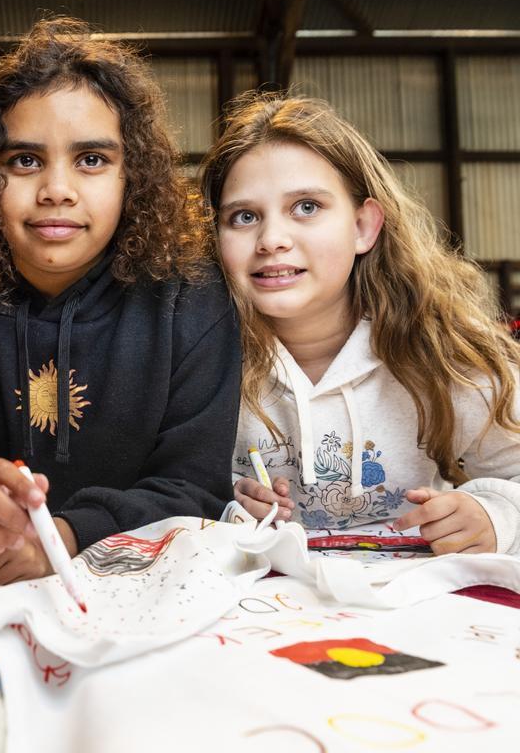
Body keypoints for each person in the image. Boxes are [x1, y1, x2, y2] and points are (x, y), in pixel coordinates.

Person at [0, 17, 241, 589]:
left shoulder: (194, 297)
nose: (56, 188)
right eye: (24, 161)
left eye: (92, 160)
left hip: (147, 588)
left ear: (134, 177)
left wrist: (64, 537)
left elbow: (195, 487)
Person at [201, 92, 520, 555]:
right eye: (244, 216)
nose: (272, 239)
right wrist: (221, 501)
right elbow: (157, 487)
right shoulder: (195, 357)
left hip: (407, 606)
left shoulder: (438, 348)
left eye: (306, 207)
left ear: (363, 227)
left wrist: (496, 517)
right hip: (256, 610)